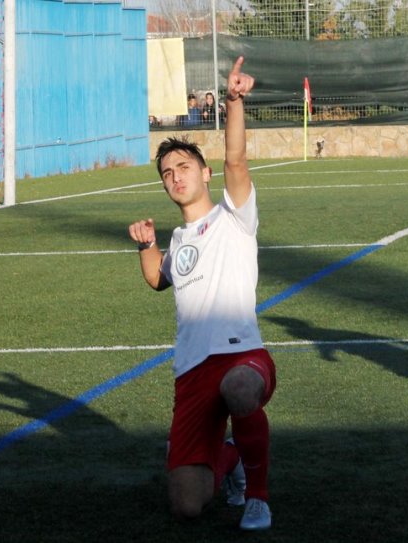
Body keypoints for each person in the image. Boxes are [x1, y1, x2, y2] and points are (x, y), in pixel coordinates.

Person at [127, 57, 276, 531]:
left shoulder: (235, 216)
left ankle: (258, 497)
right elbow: (157, 279)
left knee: (238, 388)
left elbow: (236, 159)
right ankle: (228, 462)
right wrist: (147, 246)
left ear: (205, 173)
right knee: (186, 506)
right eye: (167, 172)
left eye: (184, 167)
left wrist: (233, 102)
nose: (175, 177)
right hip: (190, 373)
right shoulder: (180, 239)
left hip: (241, 358)